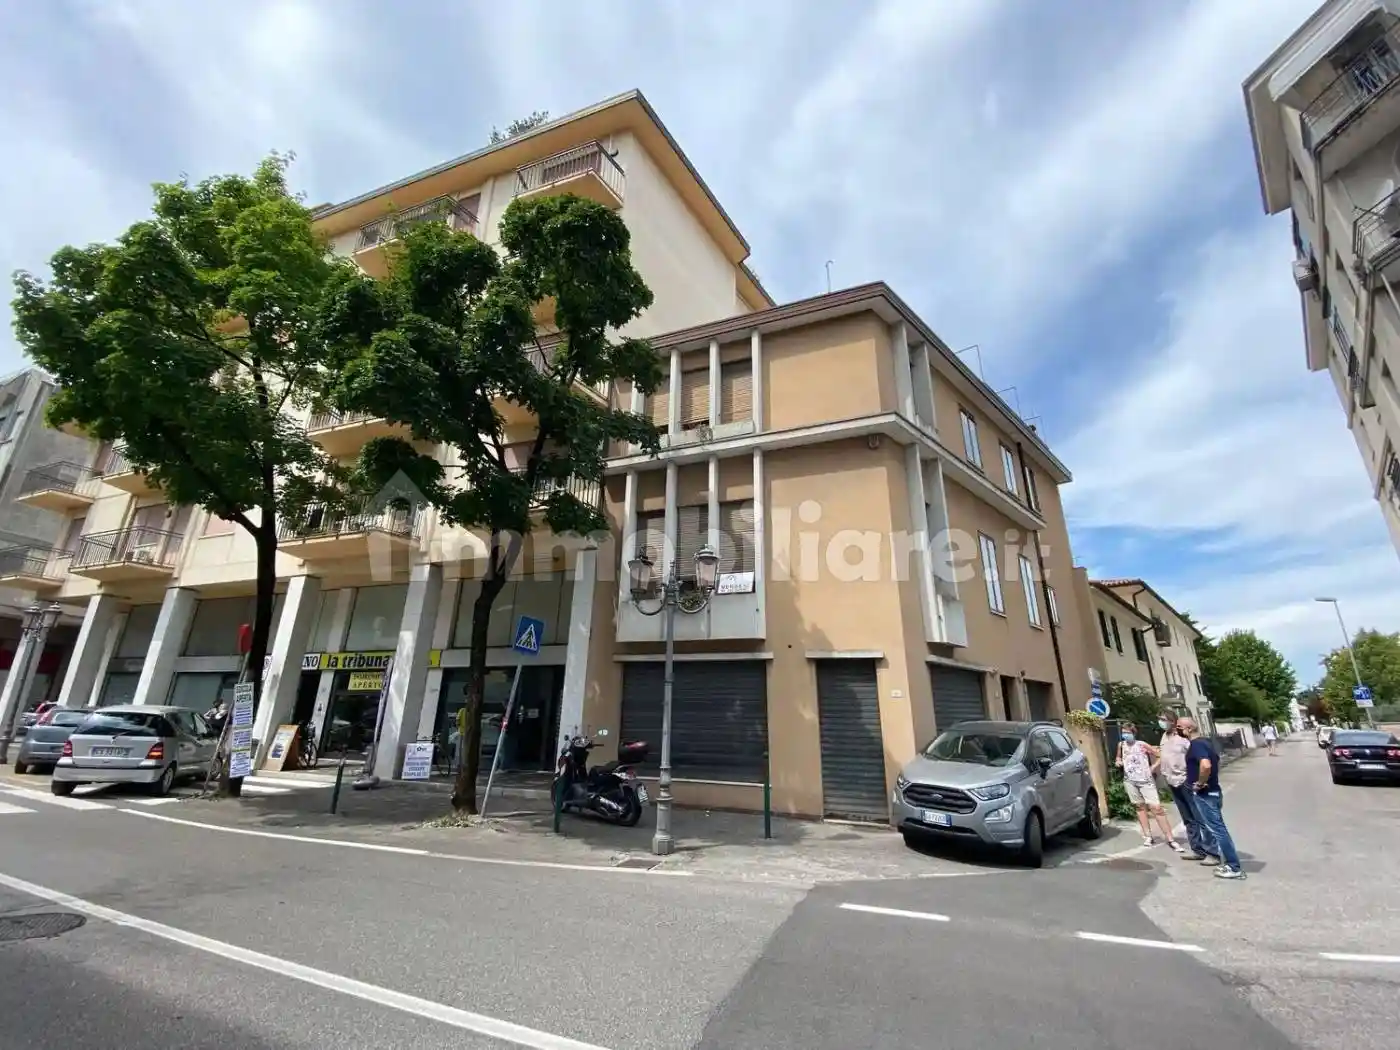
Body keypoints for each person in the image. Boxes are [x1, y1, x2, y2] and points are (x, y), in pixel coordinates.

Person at [1184, 720, 1246, 880]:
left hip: (1206, 795)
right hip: (1214, 792)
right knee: (1218, 829)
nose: (1178, 729)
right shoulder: (1207, 743)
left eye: (1179, 727)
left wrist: (1200, 783)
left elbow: (1205, 765)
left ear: (1189, 729)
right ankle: (1231, 864)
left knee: (1218, 830)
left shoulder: (1197, 744)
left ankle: (1234, 866)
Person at [1115, 722, 1183, 851]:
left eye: (1128, 732)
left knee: (1156, 808)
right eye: (1124, 732)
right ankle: (1148, 836)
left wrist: (1153, 767)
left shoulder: (1142, 744)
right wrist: (1118, 762)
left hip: (1146, 780)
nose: (1125, 735)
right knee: (1139, 807)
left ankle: (1170, 839)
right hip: (1130, 780)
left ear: (1134, 733)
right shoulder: (1121, 745)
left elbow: (1159, 755)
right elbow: (1118, 758)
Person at [1160, 716, 1216, 860]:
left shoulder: (1186, 739)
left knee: (1200, 817)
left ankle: (1212, 852)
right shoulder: (1164, 737)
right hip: (1172, 781)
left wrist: (1198, 780)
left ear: (1173, 721)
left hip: (1186, 781)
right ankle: (1197, 850)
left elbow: (1201, 760)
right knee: (1188, 819)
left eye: (1164, 719)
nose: (1161, 722)